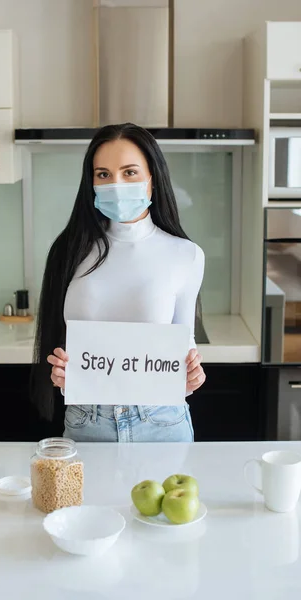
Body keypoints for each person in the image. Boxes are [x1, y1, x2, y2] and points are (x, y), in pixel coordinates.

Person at [31, 123, 206, 443]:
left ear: (152, 180)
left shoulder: (187, 255)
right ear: (91, 183)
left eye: (129, 172)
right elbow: (60, 344)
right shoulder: (68, 250)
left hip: (162, 422)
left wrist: (191, 375)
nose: (116, 184)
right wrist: (59, 373)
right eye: (103, 174)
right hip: (87, 421)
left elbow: (184, 341)